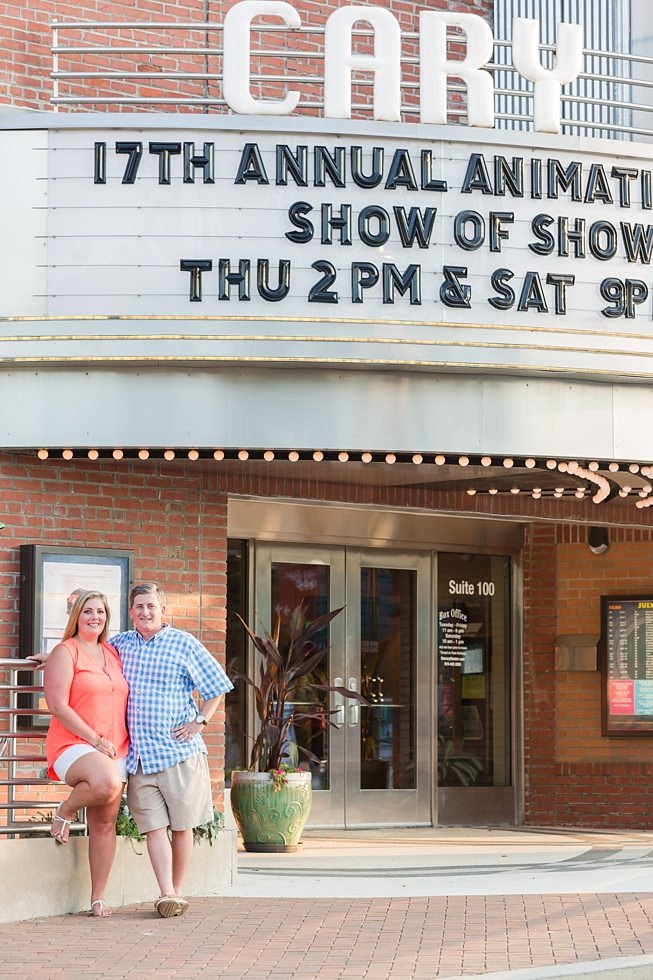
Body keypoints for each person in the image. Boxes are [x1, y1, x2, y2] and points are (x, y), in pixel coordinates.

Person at [109, 582, 233, 919]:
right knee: (152, 827)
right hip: (140, 757)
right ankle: (166, 892)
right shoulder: (119, 644)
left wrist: (200, 722)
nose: (146, 612)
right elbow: (85, 654)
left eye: (152, 606)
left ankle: (176, 892)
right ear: (131, 611)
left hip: (179, 753)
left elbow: (216, 686)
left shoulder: (184, 643)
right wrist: (54, 656)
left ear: (163, 609)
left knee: (181, 826)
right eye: (139, 607)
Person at [43, 590, 129, 917]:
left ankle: (97, 898)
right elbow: (57, 705)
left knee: (105, 822)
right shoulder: (66, 651)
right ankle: (65, 811)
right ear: (76, 616)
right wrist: (94, 739)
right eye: (88, 611)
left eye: (101, 612)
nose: (95, 617)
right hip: (74, 744)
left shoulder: (113, 652)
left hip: (114, 746)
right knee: (106, 784)